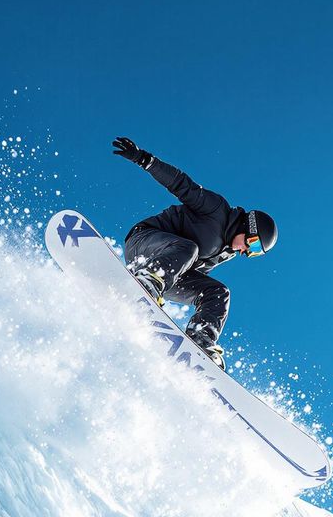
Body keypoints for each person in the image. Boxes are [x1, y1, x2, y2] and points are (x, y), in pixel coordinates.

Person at [111, 137, 278, 370]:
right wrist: (144, 160)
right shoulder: (217, 210)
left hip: (169, 270)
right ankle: (149, 281)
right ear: (248, 227)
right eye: (253, 245)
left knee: (218, 291)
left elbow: (191, 274)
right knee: (189, 249)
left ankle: (201, 340)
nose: (246, 252)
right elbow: (182, 184)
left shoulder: (225, 252)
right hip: (143, 241)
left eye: (254, 254)